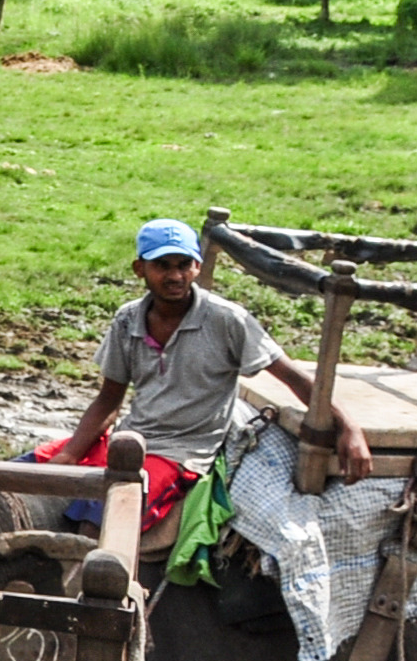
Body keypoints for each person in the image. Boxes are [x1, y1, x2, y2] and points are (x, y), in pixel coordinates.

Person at [37, 218, 370, 526]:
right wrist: (69, 455)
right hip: (132, 438)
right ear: (140, 269)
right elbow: (109, 399)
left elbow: (294, 379)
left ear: (197, 266)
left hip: (180, 453)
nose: (175, 276)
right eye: (162, 266)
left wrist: (349, 426)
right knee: (25, 470)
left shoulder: (227, 320)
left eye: (184, 265)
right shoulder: (128, 320)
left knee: (103, 519)